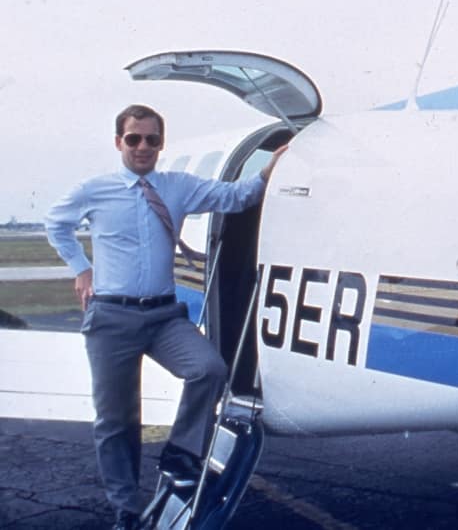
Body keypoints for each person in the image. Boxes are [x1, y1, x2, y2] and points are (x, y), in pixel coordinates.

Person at [45, 104, 286, 530]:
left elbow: (236, 196)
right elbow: (56, 224)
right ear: (119, 142)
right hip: (111, 319)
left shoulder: (177, 187)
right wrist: (81, 268)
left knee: (210, 370)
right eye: (134, 138)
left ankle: (181, 453)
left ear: (161, 144)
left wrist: (271, 169)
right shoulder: (94, 189)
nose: (143, 147)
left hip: (162, 317)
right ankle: (125, 509)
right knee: (116, 420)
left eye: (151, 139)